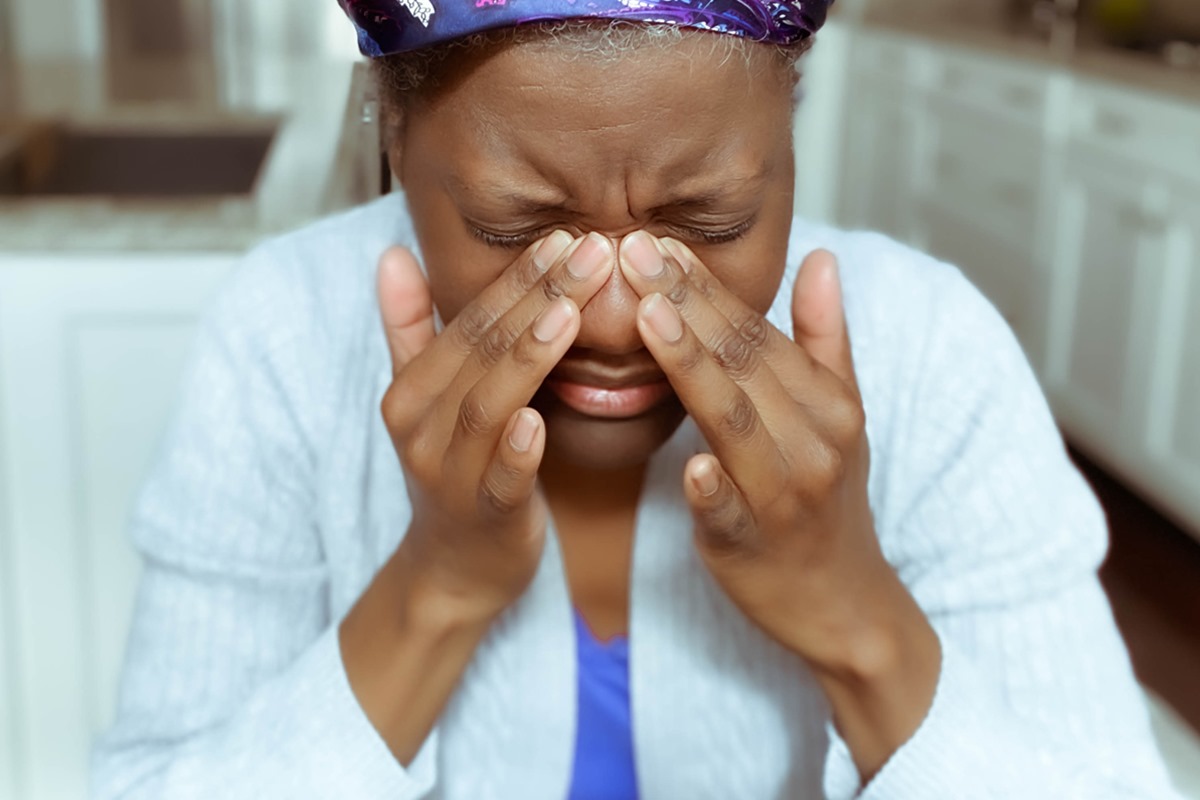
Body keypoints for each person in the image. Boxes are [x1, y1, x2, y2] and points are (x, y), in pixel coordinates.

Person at [92, 1, 1183, 798]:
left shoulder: (931, 352)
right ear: (393, 143)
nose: (615, 322)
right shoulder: (283, 338)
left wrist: (854, 612)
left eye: (706, 222)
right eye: (518, 231)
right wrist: (437, 586)